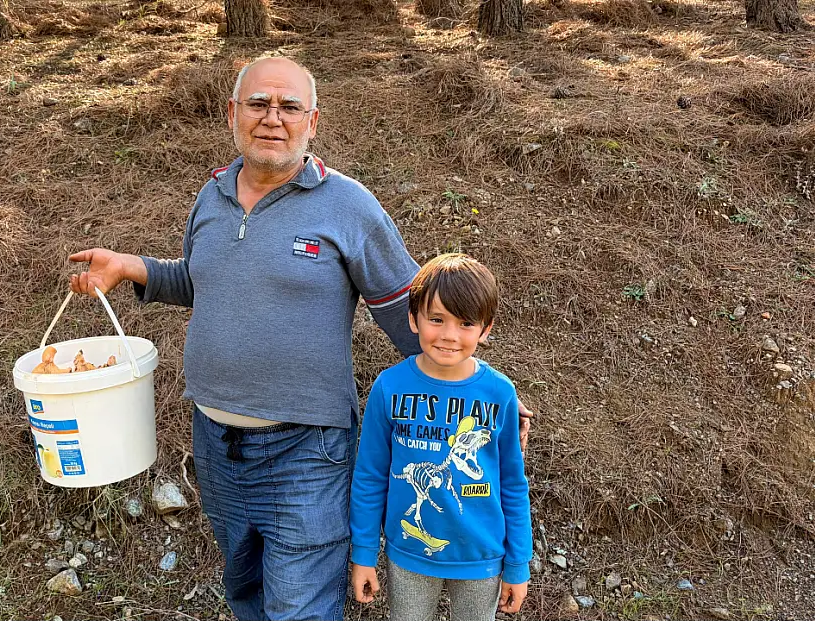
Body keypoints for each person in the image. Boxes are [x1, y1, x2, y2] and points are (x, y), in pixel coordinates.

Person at [67, 56, 532, 621]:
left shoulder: (349, 206)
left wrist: (479, 398)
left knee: (300, 608)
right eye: (259, 104)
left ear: (312, 122)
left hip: (307, 451)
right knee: (246, 592)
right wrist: (132, 266)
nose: (273, 118)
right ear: (233, 113)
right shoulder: (210, 198)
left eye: (289, 107)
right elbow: (204, 281)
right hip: (215, 444)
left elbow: (412, 311)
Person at [349, 253, 532, 621]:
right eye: (437, 319)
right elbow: (369, 475)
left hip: (482, 557)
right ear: (413, 319)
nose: (449, 335)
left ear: (486, 328)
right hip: (409, 554)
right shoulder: (389, 388)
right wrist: (364, 552)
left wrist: (518, 562)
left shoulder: (500, 393)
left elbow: (513, 483)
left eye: (466, 323)